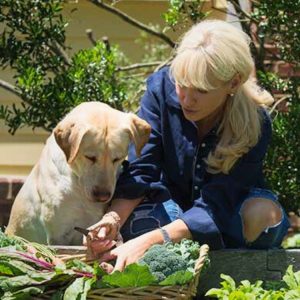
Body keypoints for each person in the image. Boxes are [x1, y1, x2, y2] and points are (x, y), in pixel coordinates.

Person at [85, 19, 290, 272]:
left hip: (229, 212)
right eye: (181, 83)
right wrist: (112, 220)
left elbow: (219, 203)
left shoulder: (256, 122)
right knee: (142, 226)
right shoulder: (160, 88)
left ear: (233, 83)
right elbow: (142, 170)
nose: (186, 98)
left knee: (263, 217)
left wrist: (149, 242)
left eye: (201, 90)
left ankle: (221, 262)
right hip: (169, 205)